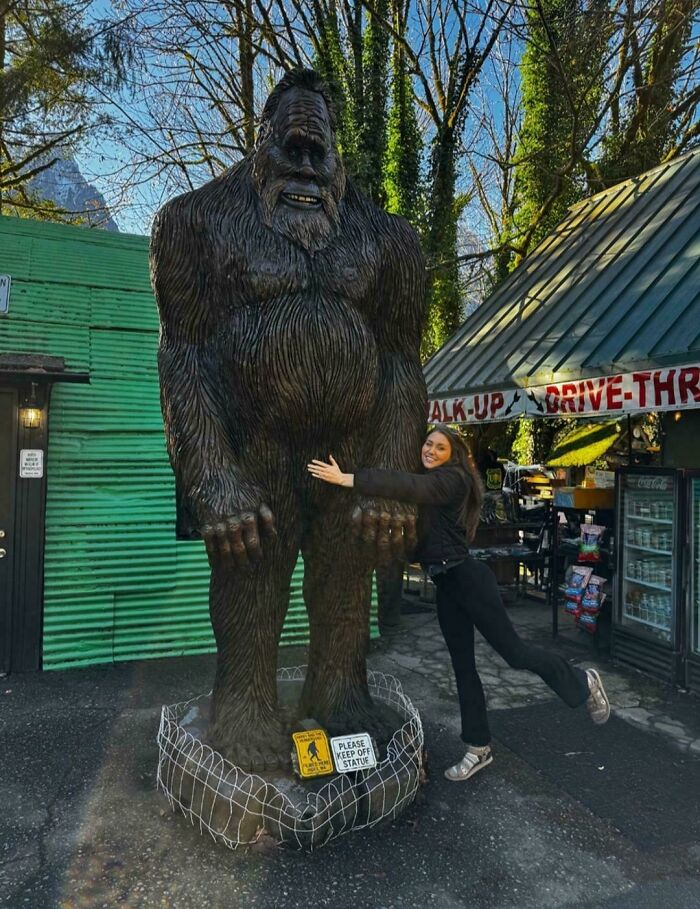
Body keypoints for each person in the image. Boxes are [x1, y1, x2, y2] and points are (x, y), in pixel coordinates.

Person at [307, 424, 610, 782]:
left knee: (515, 654)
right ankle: (478, 747)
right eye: (428, 444)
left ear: (454, 454)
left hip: (470, 580)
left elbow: (409, 485)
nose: (430, 451)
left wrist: (349, 479)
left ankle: (582, 681)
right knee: (462, 666)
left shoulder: (451, 481)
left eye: (439, 447)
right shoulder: (431, 482)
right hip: (446, 584)